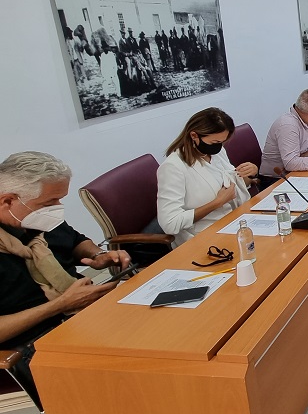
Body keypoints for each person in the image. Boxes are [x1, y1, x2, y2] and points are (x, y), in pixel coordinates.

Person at [1, 151, 130, 352]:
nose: (57, 208)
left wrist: (98, 255)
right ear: (8, 201)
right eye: (49, 202)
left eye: (60, 200)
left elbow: (75, 240)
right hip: (32, 343)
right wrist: (61, 305)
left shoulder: (36, 219)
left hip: (82, 313)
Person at [157, 108, 256, 246]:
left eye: (222, 142)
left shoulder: (217, 152)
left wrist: (251, 172)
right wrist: (217, 202)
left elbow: (234, 186)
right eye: (214, 142)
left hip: (233, 222)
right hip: (202, 237)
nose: (219, 147)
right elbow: (170, 223)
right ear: (194, 136)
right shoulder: (173, 167)